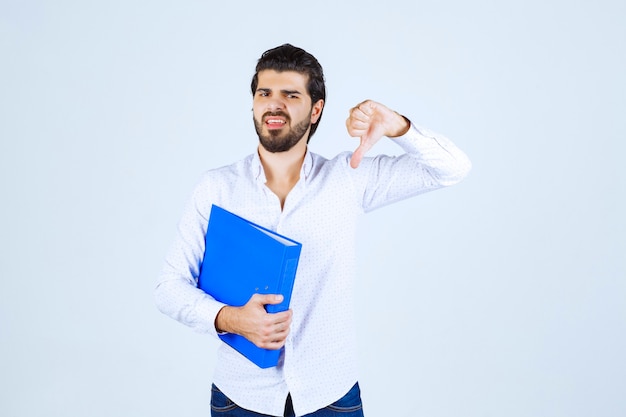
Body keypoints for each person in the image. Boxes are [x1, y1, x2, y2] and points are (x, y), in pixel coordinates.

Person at [155, 43, 471, 417]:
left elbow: (452, 168)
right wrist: (230, 318)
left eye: (290, 95)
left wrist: (397, 127)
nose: (274, 105)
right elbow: (168, 287)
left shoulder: (347, 179)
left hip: (331, 397)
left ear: (316, 109)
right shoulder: (216, 188)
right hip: (240, 398)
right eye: (264, 94)